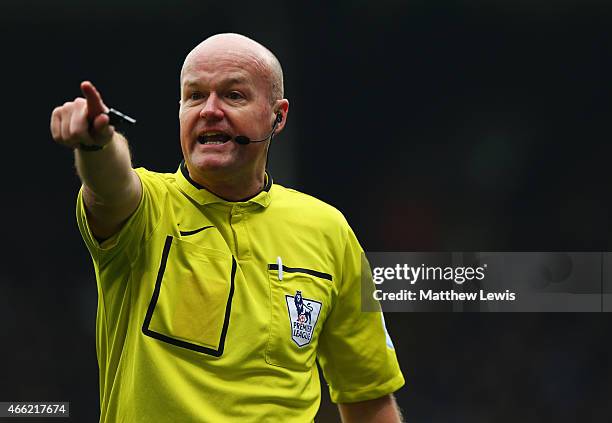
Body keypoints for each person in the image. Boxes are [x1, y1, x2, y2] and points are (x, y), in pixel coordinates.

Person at [50, 33, 404, 422]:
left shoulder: (328, 229)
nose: (209, 110)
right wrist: (98, 143)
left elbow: (369, 398)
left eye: (233, 95)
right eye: (195, 96)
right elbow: (109, 185)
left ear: (278, 116)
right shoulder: (146, 209)